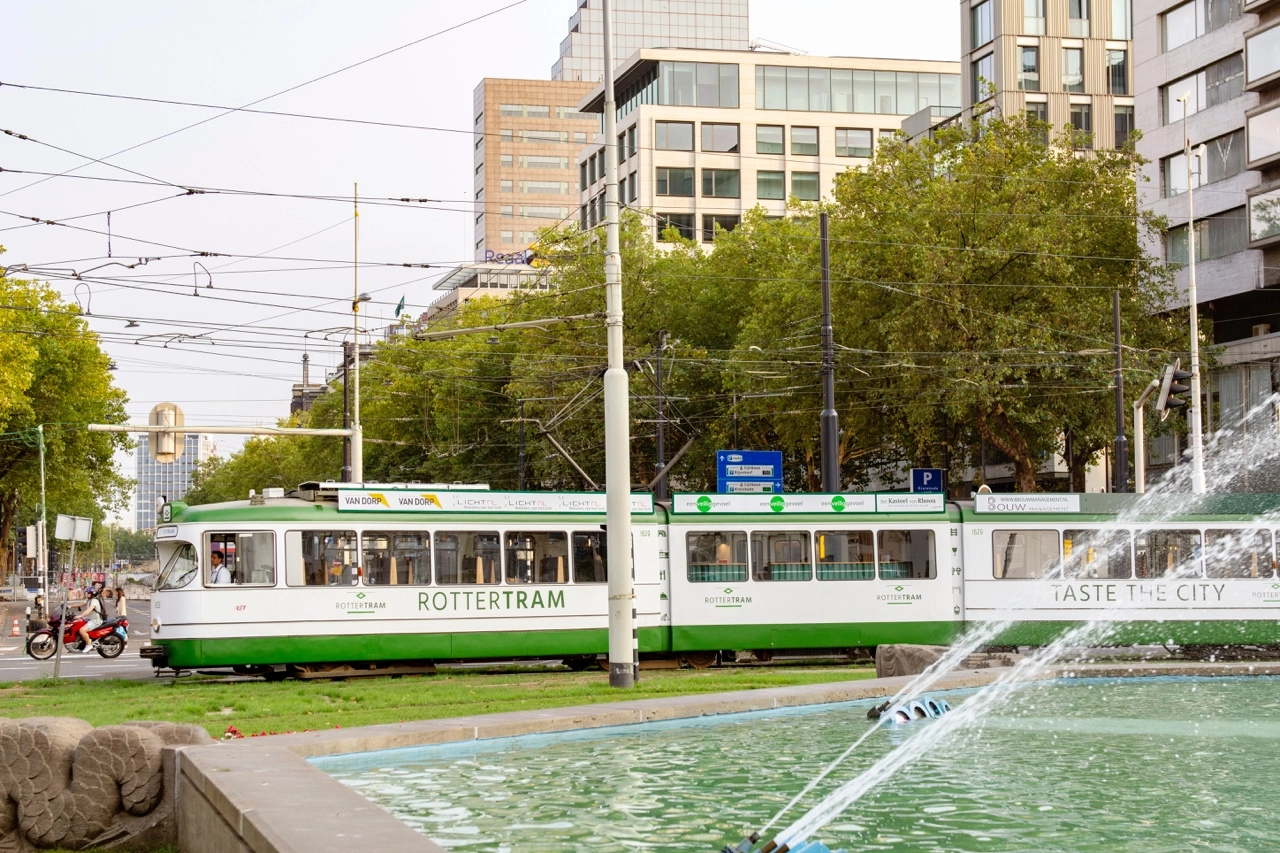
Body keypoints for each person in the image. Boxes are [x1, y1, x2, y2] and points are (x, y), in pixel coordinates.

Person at [73, 583, 106, 653]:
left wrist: (80, 616)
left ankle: (88, 644)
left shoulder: (94, 601)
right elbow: (82, 604)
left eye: (87, 593)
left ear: (92, 594)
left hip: (96, 621)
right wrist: (69, 606)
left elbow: (89, 610)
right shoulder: (89, 600)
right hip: (91, 619)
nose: (86, 594)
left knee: (82, 630)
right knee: (78, 623)